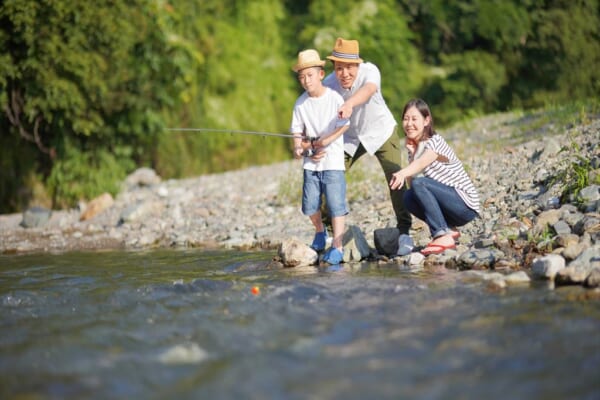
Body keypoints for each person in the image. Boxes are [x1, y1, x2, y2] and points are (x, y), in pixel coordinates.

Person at [323, 37, 412, 235]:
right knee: (328, 178)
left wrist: (349, 104)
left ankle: (404, 230)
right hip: (349, 139)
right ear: (333, 68)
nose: (344, 74)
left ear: (357, 64)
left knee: (396, 178)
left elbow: (369, 90)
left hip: (381, 131)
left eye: (349, 67)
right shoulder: (328, 85)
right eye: (339, 68)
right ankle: (329, 233)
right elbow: (314, 107)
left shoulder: (370, 71)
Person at [389, 98, 480, 256]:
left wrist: (402, 172)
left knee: (420, 184)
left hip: (465, 206)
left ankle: (441, 235)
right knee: (409, 197)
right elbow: (414, 188)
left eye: (414, 119)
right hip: (452, 207)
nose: (409, 123)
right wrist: (411, 156)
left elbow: (423, 163)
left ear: (426, 120)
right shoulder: (418, 147)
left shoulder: (434, 142)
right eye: (406, 118)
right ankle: (448, 229)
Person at [290, 49, 350, 264]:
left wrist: (325, 141)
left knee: (336, 205)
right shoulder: (300, 104)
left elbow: (344, 126)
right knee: (309, 205)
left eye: (310, 75)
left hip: (333, 163)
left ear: (321, 75)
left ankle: (338, 246)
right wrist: (303, 150)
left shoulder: (334, 99)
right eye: (302, 77)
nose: (306, 81)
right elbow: (297, 137)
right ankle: (319, 231)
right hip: (311, 166)